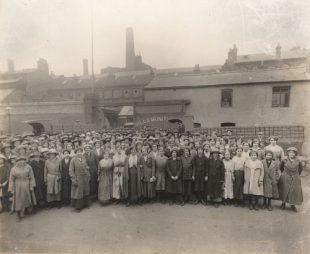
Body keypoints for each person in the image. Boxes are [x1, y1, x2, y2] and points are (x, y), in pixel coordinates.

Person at [8, 156, 36, 221]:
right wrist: (11, 189)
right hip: (18, 185)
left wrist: (32, 185)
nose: (22, 161)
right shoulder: (13, 169)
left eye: (23, 160)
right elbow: (11, 179)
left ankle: (26, 210)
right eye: (20, 160)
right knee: (18, 199)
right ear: (17, 161)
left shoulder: (28, 167)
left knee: (27, 198)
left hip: (26, 183)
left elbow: (32, 176)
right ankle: (18, 214)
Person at [279, 147, 303, 212]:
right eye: (290, 152)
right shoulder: (284, 160)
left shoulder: (298, 161)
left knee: (294, 191)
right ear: (288, 153)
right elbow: (281, 168)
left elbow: (300, 169)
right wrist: (285, 174)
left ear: (295, 154)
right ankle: (283, 203)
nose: (292, 154)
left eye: (293, 153)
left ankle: (292, 205)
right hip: (286, 176)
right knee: (284, 190)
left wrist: (296, 175)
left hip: (295, 177)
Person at [69, 147, 90, 212]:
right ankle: (78, 207)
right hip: (78, 178)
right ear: (75, 153)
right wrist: (73, 179)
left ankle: (85, 204)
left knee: (85, 191)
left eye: (80, 151)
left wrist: (88, 174)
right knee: (78, 192)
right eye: (77, 152)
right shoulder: (73, 160)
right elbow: (71, 170)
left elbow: (86, 167)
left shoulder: (84, 158)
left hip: (85, 178)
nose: (79, 153)